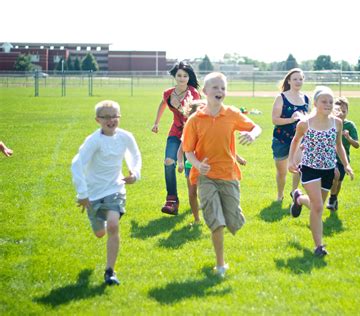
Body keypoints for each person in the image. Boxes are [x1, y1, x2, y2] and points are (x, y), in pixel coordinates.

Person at [182, 72, 262, 277]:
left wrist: (252, 134)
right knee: (216, 220)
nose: (220, 91)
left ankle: (233, 215)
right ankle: (220, 265)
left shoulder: (232, 114)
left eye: (223, 88)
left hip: (228, 175)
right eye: (215, 88)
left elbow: (256, 127)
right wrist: (198, 165)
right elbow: (188, 151)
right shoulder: (194, 120)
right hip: (205, 177)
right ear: (205, 92)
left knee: (233, 222)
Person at [71, 100, 142, 285]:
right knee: (100, 233)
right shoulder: (94, 140)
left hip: (115, 188)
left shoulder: (126, 136)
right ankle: (96, 221)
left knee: (112, 225)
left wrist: (135, 173)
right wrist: (82, 194)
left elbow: (135, 155)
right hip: (93, 193)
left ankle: (110, 272)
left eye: (114, 116)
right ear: (98, 120)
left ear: (119, 117)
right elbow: (76, 163)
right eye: (106, 117)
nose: (111, 120)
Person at [288, 86, 353, 257]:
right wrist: (291, 160)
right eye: (324, 101)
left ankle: (299, 199)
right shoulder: (305, 124)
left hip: (328, 169)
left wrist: (346, 165)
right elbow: (295, 141)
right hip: (309, 168)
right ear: (315, 103)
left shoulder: (337, 123)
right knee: (317, 206)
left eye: (331, 101)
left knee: (317, 206)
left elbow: (339, 146)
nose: (328, 104)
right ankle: (319, 246)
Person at [151, 61, 201, 216]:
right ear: (175, 76)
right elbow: (162, 105)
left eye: (185, 76)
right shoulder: (168, 93)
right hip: (175, 131)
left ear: (189, 77)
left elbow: (194, 113)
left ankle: (196, 198)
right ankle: (172, 199)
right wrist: (156, 123)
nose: (182, 78)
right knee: (168, 161)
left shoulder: (193, 93)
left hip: (191, 134)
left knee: (190, 168)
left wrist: (180, 106)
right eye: (179, 75)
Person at [271, 68, 310, 202]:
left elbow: (309, 119)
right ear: (289, 81)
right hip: (281, 139)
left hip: (299, 140)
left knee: (298, 168)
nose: (298, 81)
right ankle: (279, 195)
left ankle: (294, 193)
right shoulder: (281, 97)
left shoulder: (306, 98)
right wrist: (292, 119)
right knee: (282, 172)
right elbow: (274, 120)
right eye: (295, 79)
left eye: (300, 79)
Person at [327, 97, 360, 211]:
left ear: (347, 112)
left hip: (342, 159)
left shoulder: (350, 126)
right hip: (330, 157)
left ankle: (334, 197)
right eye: (338, 111)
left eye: (344, 112)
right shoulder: (329, 122)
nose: (341, 114)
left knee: (339, 181)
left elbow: (357, 145)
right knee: (333, 178)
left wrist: (348, 137)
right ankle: (331, 198)